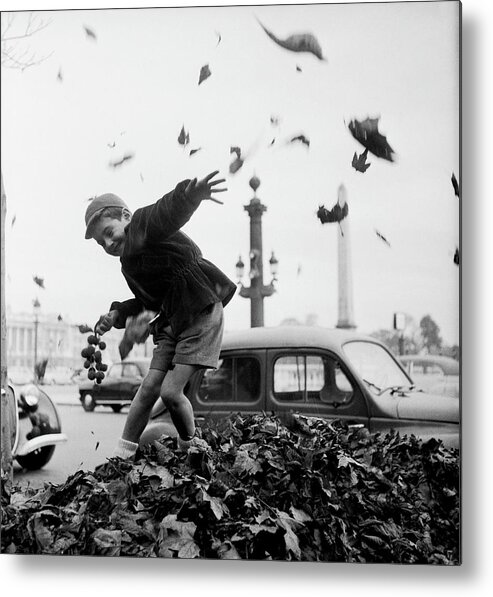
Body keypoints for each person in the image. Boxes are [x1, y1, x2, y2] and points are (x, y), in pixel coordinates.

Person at [84, 170, 236, 459]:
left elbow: (166, 212)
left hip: (199, 309)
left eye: (108, 233)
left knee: (170, 392)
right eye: (100, 244)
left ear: (126, 216)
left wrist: (191, 194)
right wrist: (117, 314)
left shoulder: (141, 226)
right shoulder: (128, 265)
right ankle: (123, 453)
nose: (108, 244)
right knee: (148, 387)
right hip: (172, 317)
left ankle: (190, 444)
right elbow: (145, 301)